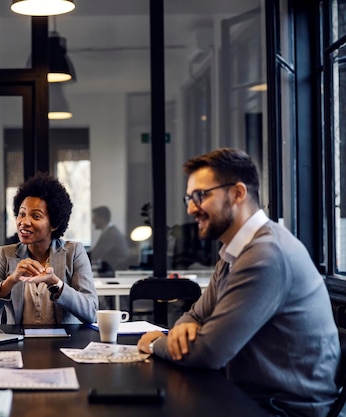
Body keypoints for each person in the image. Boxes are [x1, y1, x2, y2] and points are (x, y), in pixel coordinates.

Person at [137, 148, 339, 416]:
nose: (190, 208)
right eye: (189, 197)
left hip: (282, 410)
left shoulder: (265, 255)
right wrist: (184, 327)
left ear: (237, 193)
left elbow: (208, 353)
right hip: (246, 397)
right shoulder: (234, 251)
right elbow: (195, 314)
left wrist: (154, 342)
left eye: (201, 195)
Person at [0, 173, 98, 325]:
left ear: (54, 224)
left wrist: (56, 284)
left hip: (65, 344)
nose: (24, 222)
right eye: (21, 214)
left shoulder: (74, 253)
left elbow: (91, 312)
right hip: (19, 345)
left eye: (36, 216)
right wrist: (11, 281)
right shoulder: (6, 255)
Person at [89, 205, 131, 272]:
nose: (93, 221)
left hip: (117, 271)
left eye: (95, 218)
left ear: (102, 218)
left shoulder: (111, 234)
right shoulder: (109, 231)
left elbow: (97, 254)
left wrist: (78, 257)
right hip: (112, 269)